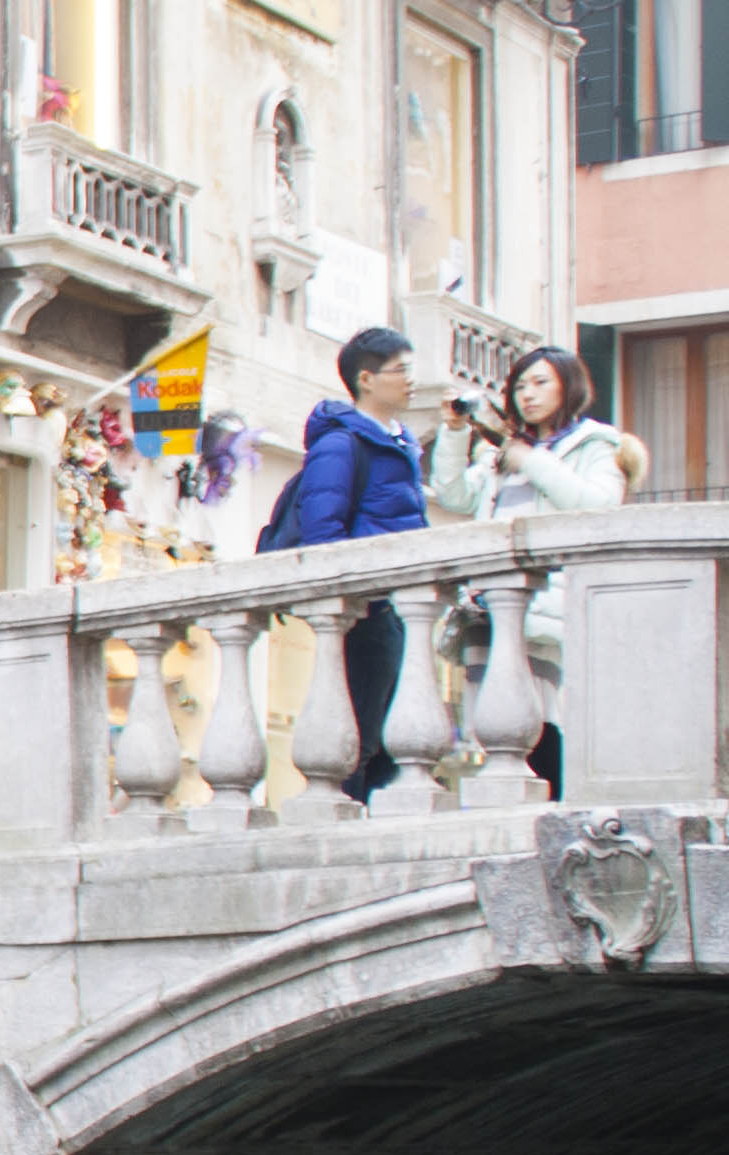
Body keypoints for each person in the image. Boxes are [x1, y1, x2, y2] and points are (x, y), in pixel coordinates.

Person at [427, 343, 644, 796]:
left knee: (540, 713)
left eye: (540, 382)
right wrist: (452, 431)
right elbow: (452, 496)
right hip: (485, 603)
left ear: (569, 386)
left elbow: (598, 506)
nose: (528, 394)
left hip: (545, 601)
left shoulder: (594, 444)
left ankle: (554, 807)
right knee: (494, 716)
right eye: (520, 385)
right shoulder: (498, 454)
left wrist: (532, 461)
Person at [272, 326, 431, 801]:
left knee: (391, 732)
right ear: (366, 378)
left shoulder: (401, 444)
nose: (411, 381)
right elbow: (324, 531)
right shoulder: (341, 444)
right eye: (401, 370)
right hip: (365, 611)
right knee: (360, 731)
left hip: (399, 607)